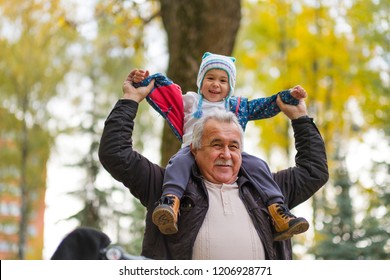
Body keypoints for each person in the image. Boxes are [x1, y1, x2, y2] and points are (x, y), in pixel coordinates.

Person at [98, 72, 329, 259]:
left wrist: (301, 119)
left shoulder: (268, 189)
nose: (226, 154)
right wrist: (130, 100)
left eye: (234, 146)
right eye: (216, 144)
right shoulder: (163, 186)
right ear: (195, 149)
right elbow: (115, 154)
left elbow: (314, 171)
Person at [130, 52, 308, 241]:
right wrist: (143, 81)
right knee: (178, 163)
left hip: (230, 154)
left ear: (230, 86)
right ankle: (170, 203)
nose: (216, 84)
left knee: (259, 165)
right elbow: (165, 96)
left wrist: (289, 96)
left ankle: (278, 211)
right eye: (210, 78)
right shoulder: (190, 101)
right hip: (194, 149)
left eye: (223, 80)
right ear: (201, 81)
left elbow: (265, 105)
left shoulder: (237, 106)